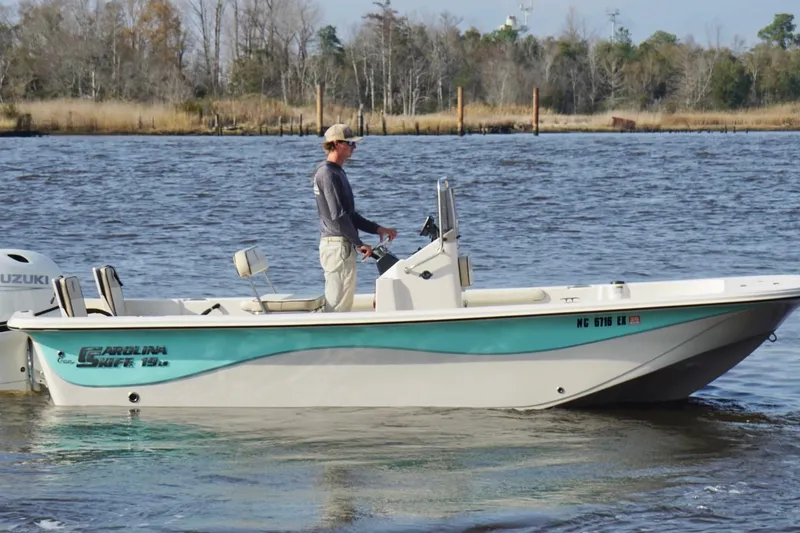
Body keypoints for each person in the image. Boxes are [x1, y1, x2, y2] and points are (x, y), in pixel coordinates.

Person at [313, 124, 397, 312]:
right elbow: (338, 216)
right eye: (350, 143)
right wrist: (359, 244)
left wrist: (377, 229)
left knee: (344, 302)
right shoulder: (327, 174)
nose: (354, 147)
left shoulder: (337, 172)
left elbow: (350, 215)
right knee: (337, 306)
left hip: (343, 245)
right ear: (336, 144)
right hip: (337, 247)